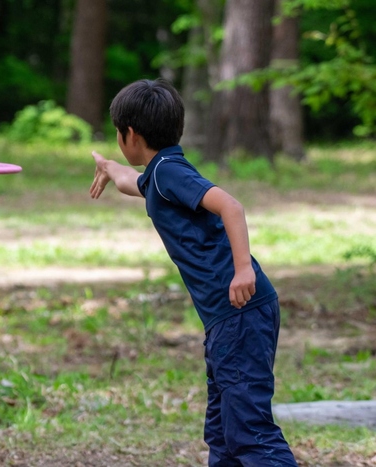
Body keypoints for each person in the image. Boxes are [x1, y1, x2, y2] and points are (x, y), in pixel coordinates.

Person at [89, 78, 298, 466]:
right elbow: (132, 182)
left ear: (130, 134)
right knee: (222, 433)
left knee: (249, 432)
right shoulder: (162, 172)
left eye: (118, 133)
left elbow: (230, 206)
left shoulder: (168, 174)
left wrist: (243, 269)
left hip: (238, 311)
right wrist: (110, 167)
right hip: (227, 317)